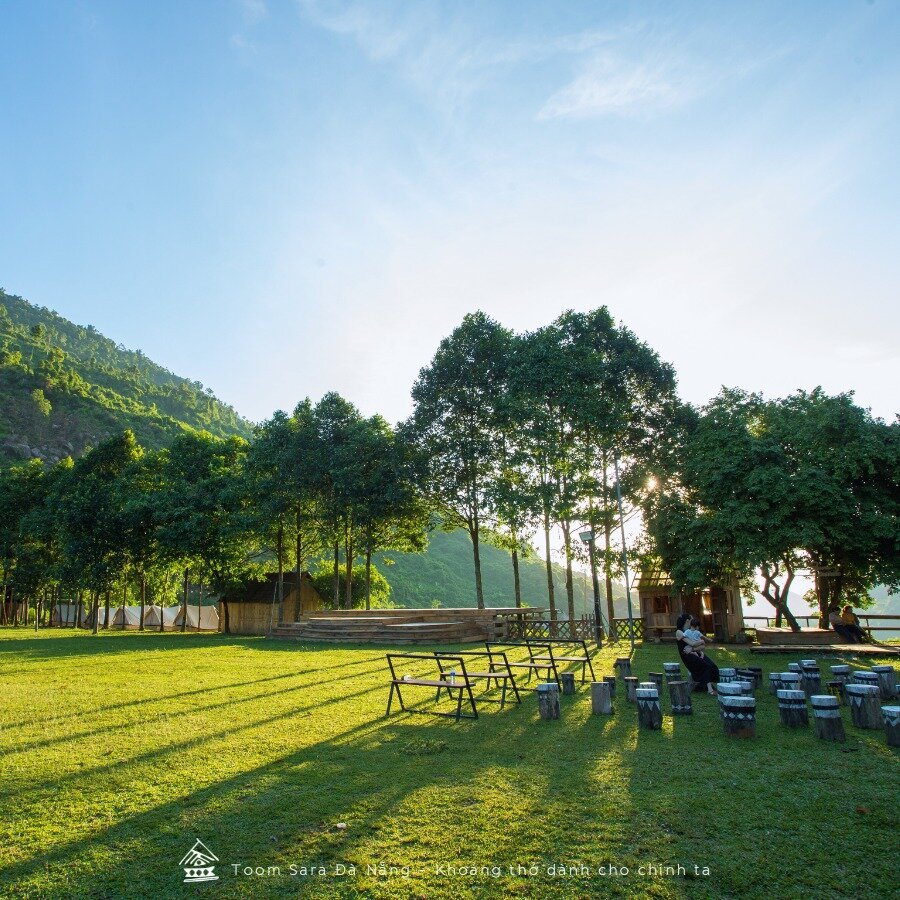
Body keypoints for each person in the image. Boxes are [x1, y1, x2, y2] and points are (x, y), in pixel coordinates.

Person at [675, 613, 720, 695]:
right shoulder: (679, 631)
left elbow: (702, 647)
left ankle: (705, 685)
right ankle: (710, 690)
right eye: (692, 620)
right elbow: (692, 643)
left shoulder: (692, 631)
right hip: (687, 656)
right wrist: (701, 641)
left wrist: (696, 647)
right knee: (706, 666)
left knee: (712, 665)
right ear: (687, 621)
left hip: (694, 652)